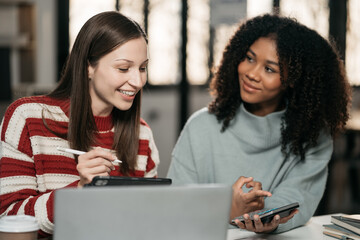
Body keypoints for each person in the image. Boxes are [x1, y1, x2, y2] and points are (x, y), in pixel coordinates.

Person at [167, 14, 351, 233]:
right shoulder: (200, 126)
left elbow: (298, 198)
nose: (251, 73)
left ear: (294, 81)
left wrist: (260, 211)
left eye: (270, 69)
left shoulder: (313, 136)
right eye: (249, 58)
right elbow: (175, 204)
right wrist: (227, 209)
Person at [0, 11, 159, 237]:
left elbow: (148, 222)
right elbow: (9, 219)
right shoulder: (27, 118)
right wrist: (79, 190)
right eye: (124, 68)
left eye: (142, 68)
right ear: (88, 67)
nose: (137, 81)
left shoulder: (142, 134)